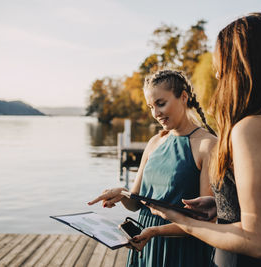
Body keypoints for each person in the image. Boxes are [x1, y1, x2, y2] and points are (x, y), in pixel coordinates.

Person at [147, 13, 261, 267]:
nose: (216, 74)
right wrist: (221, 205)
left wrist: (186, 223)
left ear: (241, 66)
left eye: (221, 67)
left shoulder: (251, 129)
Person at [88, 69, 217, 267]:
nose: (155, 114)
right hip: (145, 243)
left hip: (183, 250)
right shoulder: (154, 142)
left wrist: (156, 231)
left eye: (161, 103)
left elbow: (205, 221)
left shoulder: (208, 145)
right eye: (151, 106)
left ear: (183, 97)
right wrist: (122, 194)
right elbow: (136, 203)